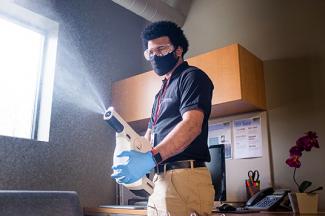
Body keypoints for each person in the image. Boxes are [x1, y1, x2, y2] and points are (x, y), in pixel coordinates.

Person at [111, 21, 215, 216]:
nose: (154, 56)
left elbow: (192, 125)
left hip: (185, 177)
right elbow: (149, 137)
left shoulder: (192, 77)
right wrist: (130, 151)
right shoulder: (160, 94)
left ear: (178, 50)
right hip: (160, 179)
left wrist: (151, 157)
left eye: (161, 50)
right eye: (150, 53)